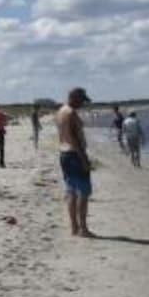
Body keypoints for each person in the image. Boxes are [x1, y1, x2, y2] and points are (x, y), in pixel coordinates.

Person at [56, 86, 95, 238]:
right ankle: (83, 229)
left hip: (64, 154)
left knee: (71, 191)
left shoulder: (61, 111)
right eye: (81, 100)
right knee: (83, 193)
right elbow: (74, 139)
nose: (82, 104)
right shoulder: (71, 113)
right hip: (74, 154)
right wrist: (84, 159)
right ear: (74, 97)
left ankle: (74, 227)